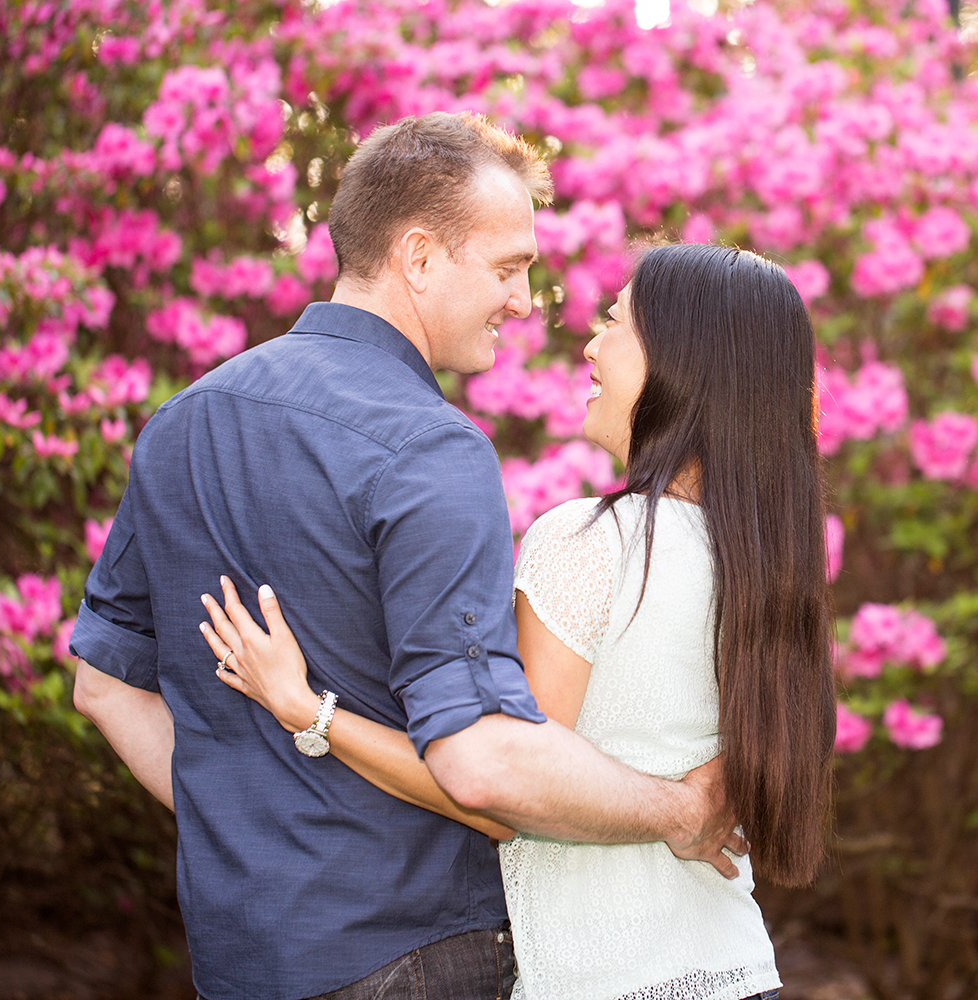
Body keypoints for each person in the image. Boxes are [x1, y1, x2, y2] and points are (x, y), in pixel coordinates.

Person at [69, 113, 742, 1000]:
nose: (522, 302)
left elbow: (103, 684)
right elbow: (483, 763)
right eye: (508, 269)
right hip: (418, 954)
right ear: (418, 258)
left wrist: (246, 832)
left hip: (239, 959)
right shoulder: (430, 449)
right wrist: (680, 810)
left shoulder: (180, 424)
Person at [200, 243, 838, 1000]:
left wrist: (310, 711)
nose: (592, 345)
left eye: (615, 321)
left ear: (683, 361)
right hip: (736, 969)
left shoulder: (591, 542)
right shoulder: (768, 564)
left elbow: (498, 782)